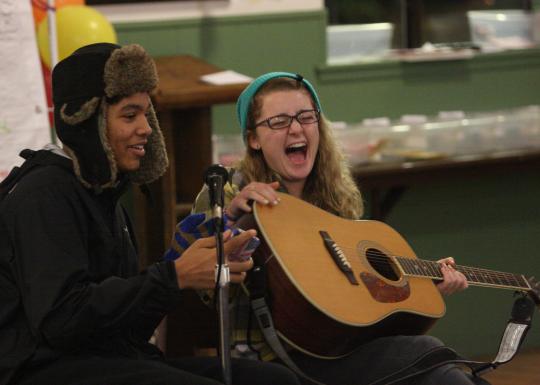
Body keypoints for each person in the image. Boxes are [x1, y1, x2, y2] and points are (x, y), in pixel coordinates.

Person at [0, 44, 301, 385]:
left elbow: (124, 322)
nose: (146, 127)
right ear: (88, 121)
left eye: (146, 113)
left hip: (106, 359)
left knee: (275, 381)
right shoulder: (45, 193)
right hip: (44, 369)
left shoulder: (105, 196)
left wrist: (184, 272)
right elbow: (62, 320)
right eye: (130, 115)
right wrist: (172, 277)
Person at [184, 72, 491, 385]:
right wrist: (233, 222)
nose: (295, 128)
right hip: (269, 363)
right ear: (253, 139)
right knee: (429, 357)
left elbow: (355, 302)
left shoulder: (333, 199)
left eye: (306, 116)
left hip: (337, 350)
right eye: (278, 121)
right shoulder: (228, 192)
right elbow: (203, 286)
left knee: (432, 365)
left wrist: (418, 291)